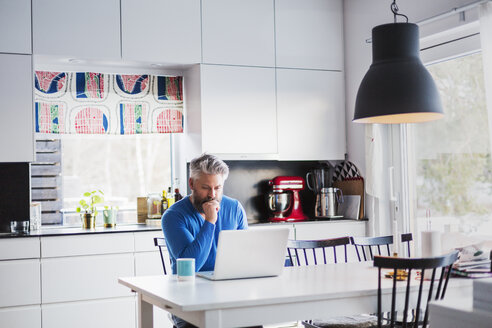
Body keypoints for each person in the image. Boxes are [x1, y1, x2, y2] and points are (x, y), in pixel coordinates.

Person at [162, 153, 261, 328]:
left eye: (218, 188)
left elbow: (245, 258)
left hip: (228, 295)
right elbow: (192, 266)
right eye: (206, 187)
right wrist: (210, 222)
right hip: (188, 300)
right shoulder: (173, 216)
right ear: (192, 183)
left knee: (253, 323)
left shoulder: (234, 208)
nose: (212, 195)